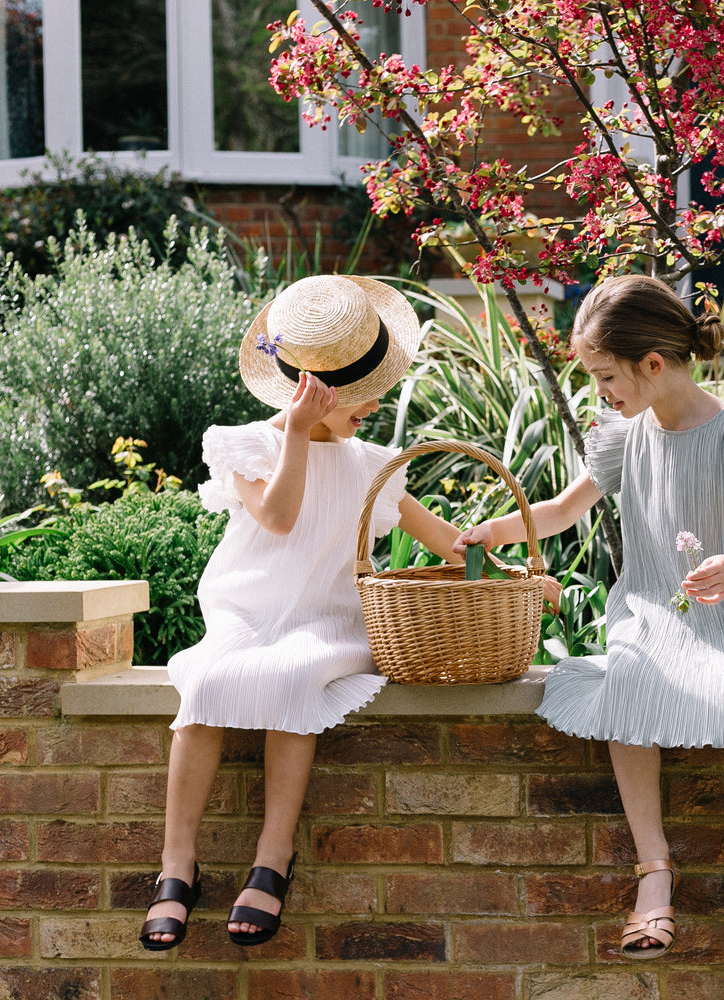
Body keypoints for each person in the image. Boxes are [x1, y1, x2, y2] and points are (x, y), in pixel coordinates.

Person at [454, 274, 724, 966]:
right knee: (629, 681)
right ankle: (655, 870)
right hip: (657, 609)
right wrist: (496, 529)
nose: (599, 392)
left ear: (652, 363)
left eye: (606, 375)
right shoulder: (622, 436)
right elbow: (561, 511)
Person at [139, 274, 472, 951]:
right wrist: (293, 432)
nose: (374, 405)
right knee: (204, 686)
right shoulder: (248, 446)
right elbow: (281, 517)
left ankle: (273, 854)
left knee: (296, 679)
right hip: (246, 613)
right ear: (305, 393)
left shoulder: (373, 465)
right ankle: (177, 864)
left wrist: (522, 561)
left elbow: (454, 545)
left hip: (328, 622)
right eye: (356, 395)